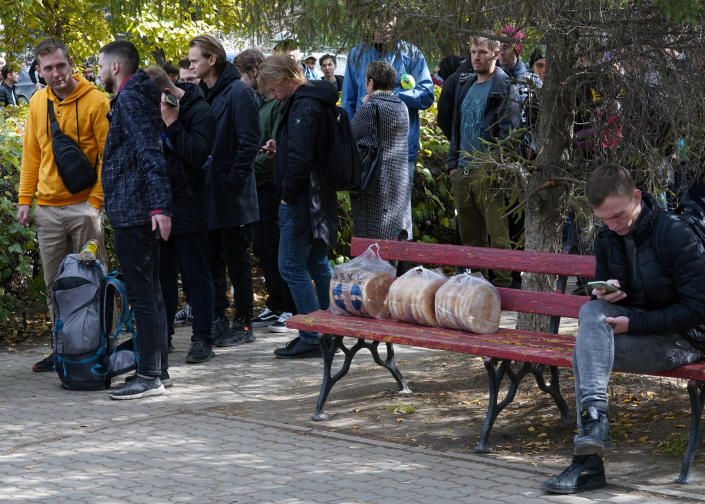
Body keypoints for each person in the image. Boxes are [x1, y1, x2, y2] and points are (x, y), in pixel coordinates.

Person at [542, 164, 705, 494]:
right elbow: (606, 293)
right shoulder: (607, 237)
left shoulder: (674, 233)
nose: (612, 225)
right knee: (592, 311)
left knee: (584, 350)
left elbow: (698, 308)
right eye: (604, 219)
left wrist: (634, 322)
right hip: (642, 331)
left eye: (617, 216)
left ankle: (588, 461)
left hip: (685, 339)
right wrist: (605, 291)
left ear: (636, 196)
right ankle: (594, 424)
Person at [17, 38, 110, 373]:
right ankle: (63, 349)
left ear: (70, 64)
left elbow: (106, 158)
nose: (56, 73)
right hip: (48, 211)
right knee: (56, 284)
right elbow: (32, 155)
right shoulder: (38, 102)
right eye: (48, 68)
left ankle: (101, 345)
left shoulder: (95, 101)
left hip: (84, 208)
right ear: (39, 72)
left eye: (60, 65)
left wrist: (94, 204)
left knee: (94, 277)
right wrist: (25, 200)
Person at [98, 40, 172, 399]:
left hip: (134, 210)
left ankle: (149, 377)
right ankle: (157, 368)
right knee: (152, 292)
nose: (97, 72)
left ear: (115, 68)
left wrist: (160, 207)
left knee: (144, 295)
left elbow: (150, 152)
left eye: (100, 65)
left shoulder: (129, 98)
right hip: (138, 208)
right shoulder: (139, 95)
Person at [258, 55, 338, 358]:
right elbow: (302, 151)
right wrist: (280, 149)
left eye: (274, 89)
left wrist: (287, 195)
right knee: (316, 262)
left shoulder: (303, 105)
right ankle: (330, 329)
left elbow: (302, 159)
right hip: (316, 198)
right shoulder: (310, 101)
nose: (272, 96)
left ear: (289, 80)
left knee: (291, 265)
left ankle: (312, 333)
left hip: (302, 199)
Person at [188, 34, 260, 347]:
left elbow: (247, 144)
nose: (191, 66)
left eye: (194, 60)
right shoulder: (200, 93)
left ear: (211, 60)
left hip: (232, 194)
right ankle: (217, 315)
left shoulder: (239, 93)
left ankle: (244, 321)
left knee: (236, 258)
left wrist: (231, 182)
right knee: (212, 257)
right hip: (207, 192)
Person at [144, 65, 216, 365]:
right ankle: (165, 335)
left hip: (188, 201)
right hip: (159, 202)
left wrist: (172, 123)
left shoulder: (199, 111)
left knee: (195, 274)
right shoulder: (151, 109)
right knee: (163, 276)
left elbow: (197, 154)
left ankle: (202, 338)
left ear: (166, 91)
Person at [446, 36, 521, 288]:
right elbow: (455, 127)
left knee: (498, 233)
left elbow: (510, 134)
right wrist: (453, 165)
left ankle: (503, 286)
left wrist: (494, 167)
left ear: (495, 54)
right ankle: (478, 287)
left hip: (488, 172)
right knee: (470, 236)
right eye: (473, 52)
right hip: (463, 171)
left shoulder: (505, 86)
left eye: (482, 52)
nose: (476, 57)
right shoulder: (465, 84)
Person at [233, 48, 297, 332]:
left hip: (269, 184)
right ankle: (275, 303)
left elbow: (273, 145)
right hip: (257, 185)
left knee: (276, 246)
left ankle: (289, 305)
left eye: (239, 75)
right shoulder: (257, 101)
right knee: (262, 246)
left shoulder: (273, 103)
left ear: (253, 72)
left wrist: (247, 164)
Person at [341, 16, 434, 201]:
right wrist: (351, 142)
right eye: (375, 17)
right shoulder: (357, 54)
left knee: (398, 215)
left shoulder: (411, 53)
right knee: (367, 213)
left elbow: (426, 95)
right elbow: (348, 103)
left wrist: (389, 97)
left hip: (400, 149)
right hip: (365, 151)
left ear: (396, 19)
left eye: (386, 18)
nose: (381, 23)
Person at [350, 61, 411, 240]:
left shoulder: (370, 107)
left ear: (371, 83)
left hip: (374, 184)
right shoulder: (402, 106)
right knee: (397, 236)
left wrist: (363, 105)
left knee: (373, 242)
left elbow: (351, 135)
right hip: (398, 183)